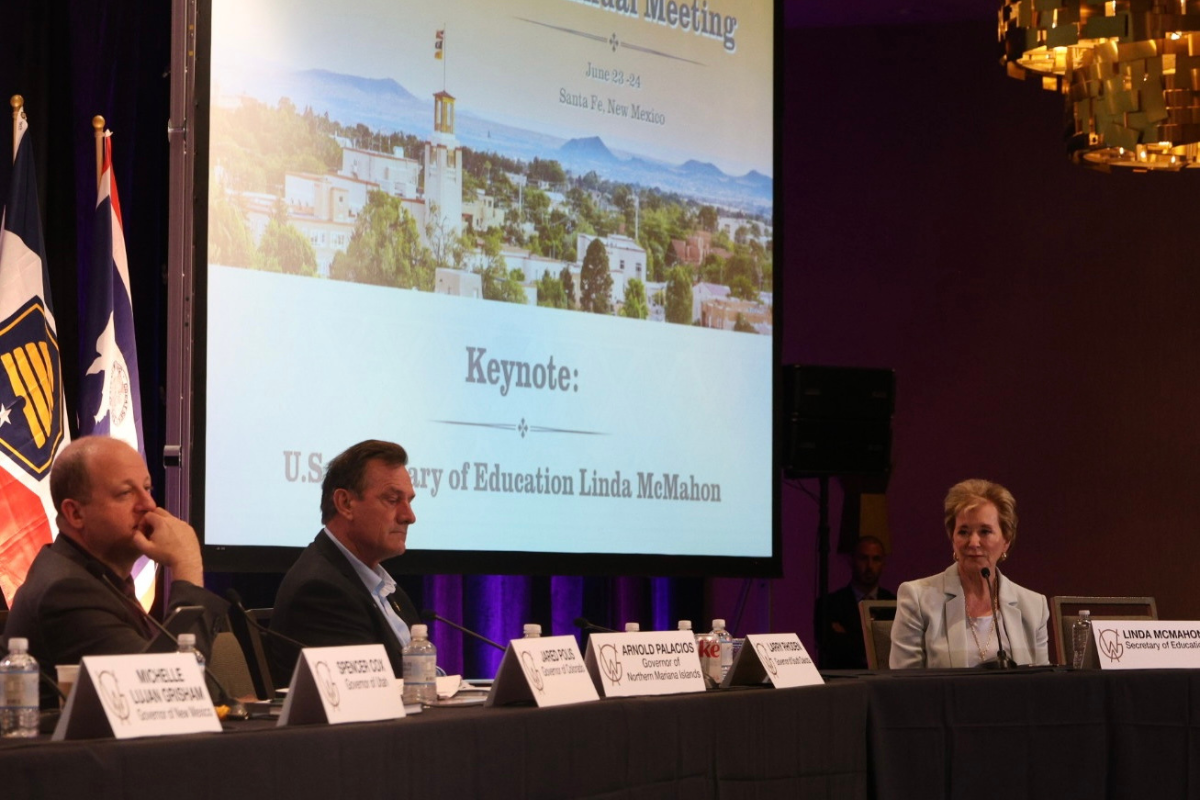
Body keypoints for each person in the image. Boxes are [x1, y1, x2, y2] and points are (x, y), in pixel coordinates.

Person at [4, 436, 227, 705]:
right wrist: (187, 565)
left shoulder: (97, 576)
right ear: (75, 514)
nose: (148, 505)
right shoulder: (65, 591)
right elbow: (171, 698)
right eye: (125, 493)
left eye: (147, 488)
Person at [270, 440, 420, 683]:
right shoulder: (320, 592)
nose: (408, 516)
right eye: (392, 500)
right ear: (345, 503)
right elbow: (368, 697)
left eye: (409, 501)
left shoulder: (387, 589)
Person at [889, 479, 1049, 669]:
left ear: (1006, 540)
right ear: (953, 538)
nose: (973, 542)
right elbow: (904, 685)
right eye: (963, 532)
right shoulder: (917, 598)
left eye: (985, 531)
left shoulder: (1033, 606)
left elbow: (1042, 685)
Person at [814, 536, 895, 669]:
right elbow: (833, 650)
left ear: (883, 563)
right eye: (863, 558)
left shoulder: (894, 604)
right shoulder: (829, 604)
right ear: (851, 561)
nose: (869, 566)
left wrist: (849, 636)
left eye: (876, 559)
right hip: (844, 682)